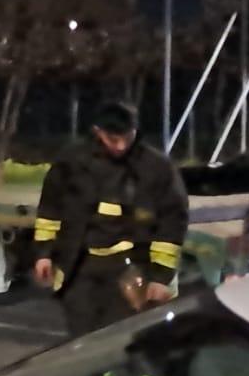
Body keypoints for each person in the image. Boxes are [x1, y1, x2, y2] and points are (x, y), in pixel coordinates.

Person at [32, 102, 188, 338]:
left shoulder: (156, 167)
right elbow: (50, 208)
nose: (121, 146)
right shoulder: (72, 162)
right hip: (80, 268)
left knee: (123, 338)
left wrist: (160, 277)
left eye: (127, 137)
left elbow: (172, 223)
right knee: (82, 338)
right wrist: (44, 253)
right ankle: (91, 375)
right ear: (97, 131)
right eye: (113, 139)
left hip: (131, 268)